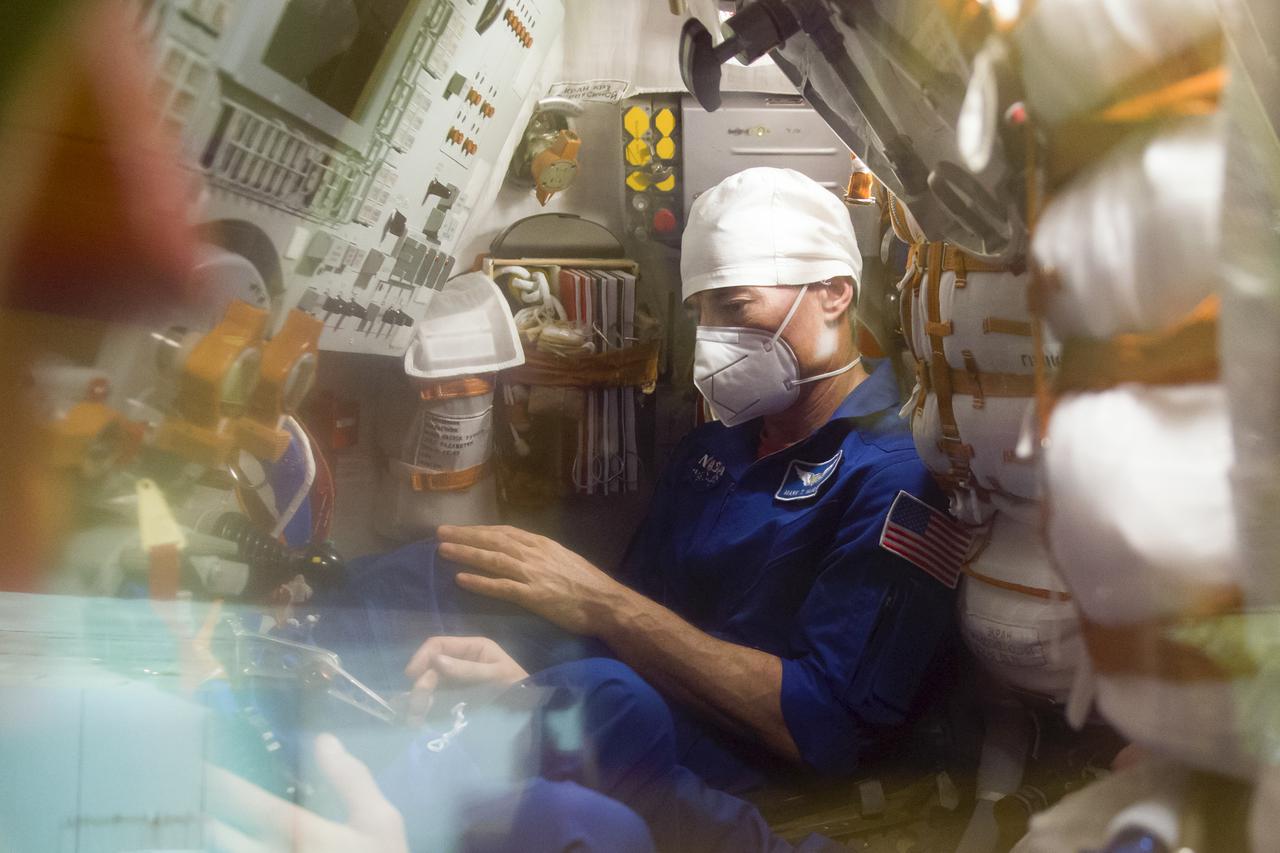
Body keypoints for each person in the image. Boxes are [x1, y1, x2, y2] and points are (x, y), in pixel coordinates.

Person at [311, 167, 958, 842]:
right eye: (702, 312)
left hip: (742, 752)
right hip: (632, 680)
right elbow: (635, 611)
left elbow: (822, 725)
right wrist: (546, 668)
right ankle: (283, 660)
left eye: (734, 308)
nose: (711, 338)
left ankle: (361, 802)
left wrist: (587, 632)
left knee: (602, 695)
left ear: (832, 294)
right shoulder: (717, 444)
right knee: (448, 569)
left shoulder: (895, 474)